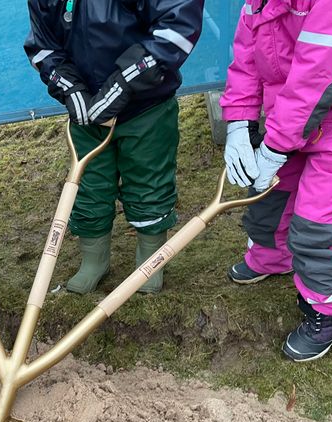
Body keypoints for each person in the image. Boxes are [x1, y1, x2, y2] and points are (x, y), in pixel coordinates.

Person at [221, 0, 332, 361]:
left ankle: (331, 312)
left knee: (318, 223)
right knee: (268, 195)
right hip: (291, 108)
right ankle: (272, 257)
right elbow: (246, 53)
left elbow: (321, 74)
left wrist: (275, 146)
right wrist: (239, 120)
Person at [25, 0, 204, 294]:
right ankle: (94, 261)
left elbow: (177, 23)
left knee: (149, 180)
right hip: (87, 107)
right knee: (89, 185)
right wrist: (67, 85)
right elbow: (43, 42)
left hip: (147, 106)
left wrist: (126, 80)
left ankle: (150, 260)